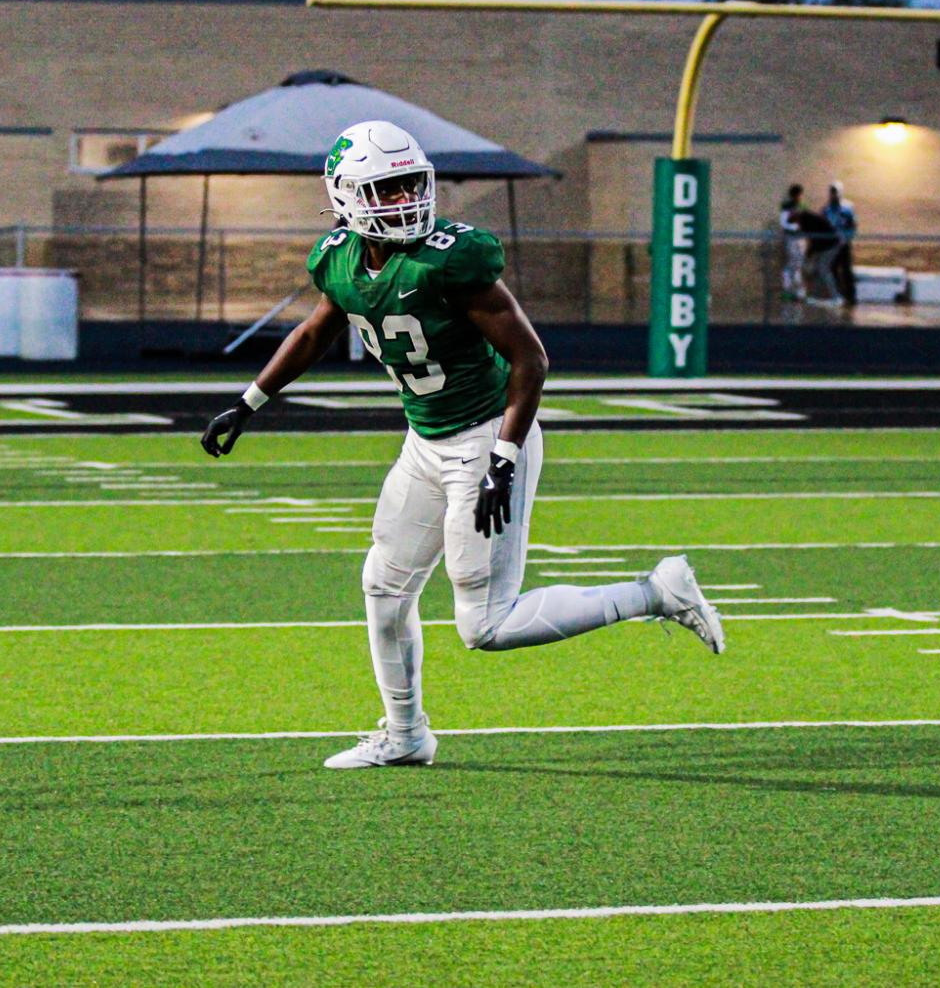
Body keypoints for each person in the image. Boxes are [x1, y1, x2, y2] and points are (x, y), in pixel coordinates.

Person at [200, 119, 726, 769]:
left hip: (485, 433)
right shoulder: (336, 256)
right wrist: (250, 401)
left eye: (410, 186)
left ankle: (655, 592)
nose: (404, 202)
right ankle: (405, 734)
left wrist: (502, 459)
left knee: (486, 625)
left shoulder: (453, 258)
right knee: (383, 585)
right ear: (345, 195)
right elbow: (315, 331)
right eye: (386, 190)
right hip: (426, 440)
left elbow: (530, 360)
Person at [823, 181, 858, 306]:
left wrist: (847, 238)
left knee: (847, 269)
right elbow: (823, 226)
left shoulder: (848, 207)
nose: (833, 195)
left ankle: (851, 297)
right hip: (831, 245)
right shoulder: (826, 209)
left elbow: (853, 225)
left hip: (844, 243)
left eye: (835, 192)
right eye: (831, 193)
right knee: (833, 269)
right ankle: (838, 295)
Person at [778, 184, 807, 299]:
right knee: (791, 263)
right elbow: (784, 223)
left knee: (799, 264)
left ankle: (799, 292)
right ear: (793, 195)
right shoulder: (786, 206)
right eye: (797, 195)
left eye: (800, 194)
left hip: (801, 238)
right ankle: (787, 290)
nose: (799, 197)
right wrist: (795, 227)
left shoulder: (803, 206)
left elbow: (805, 220)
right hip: (790, 238)